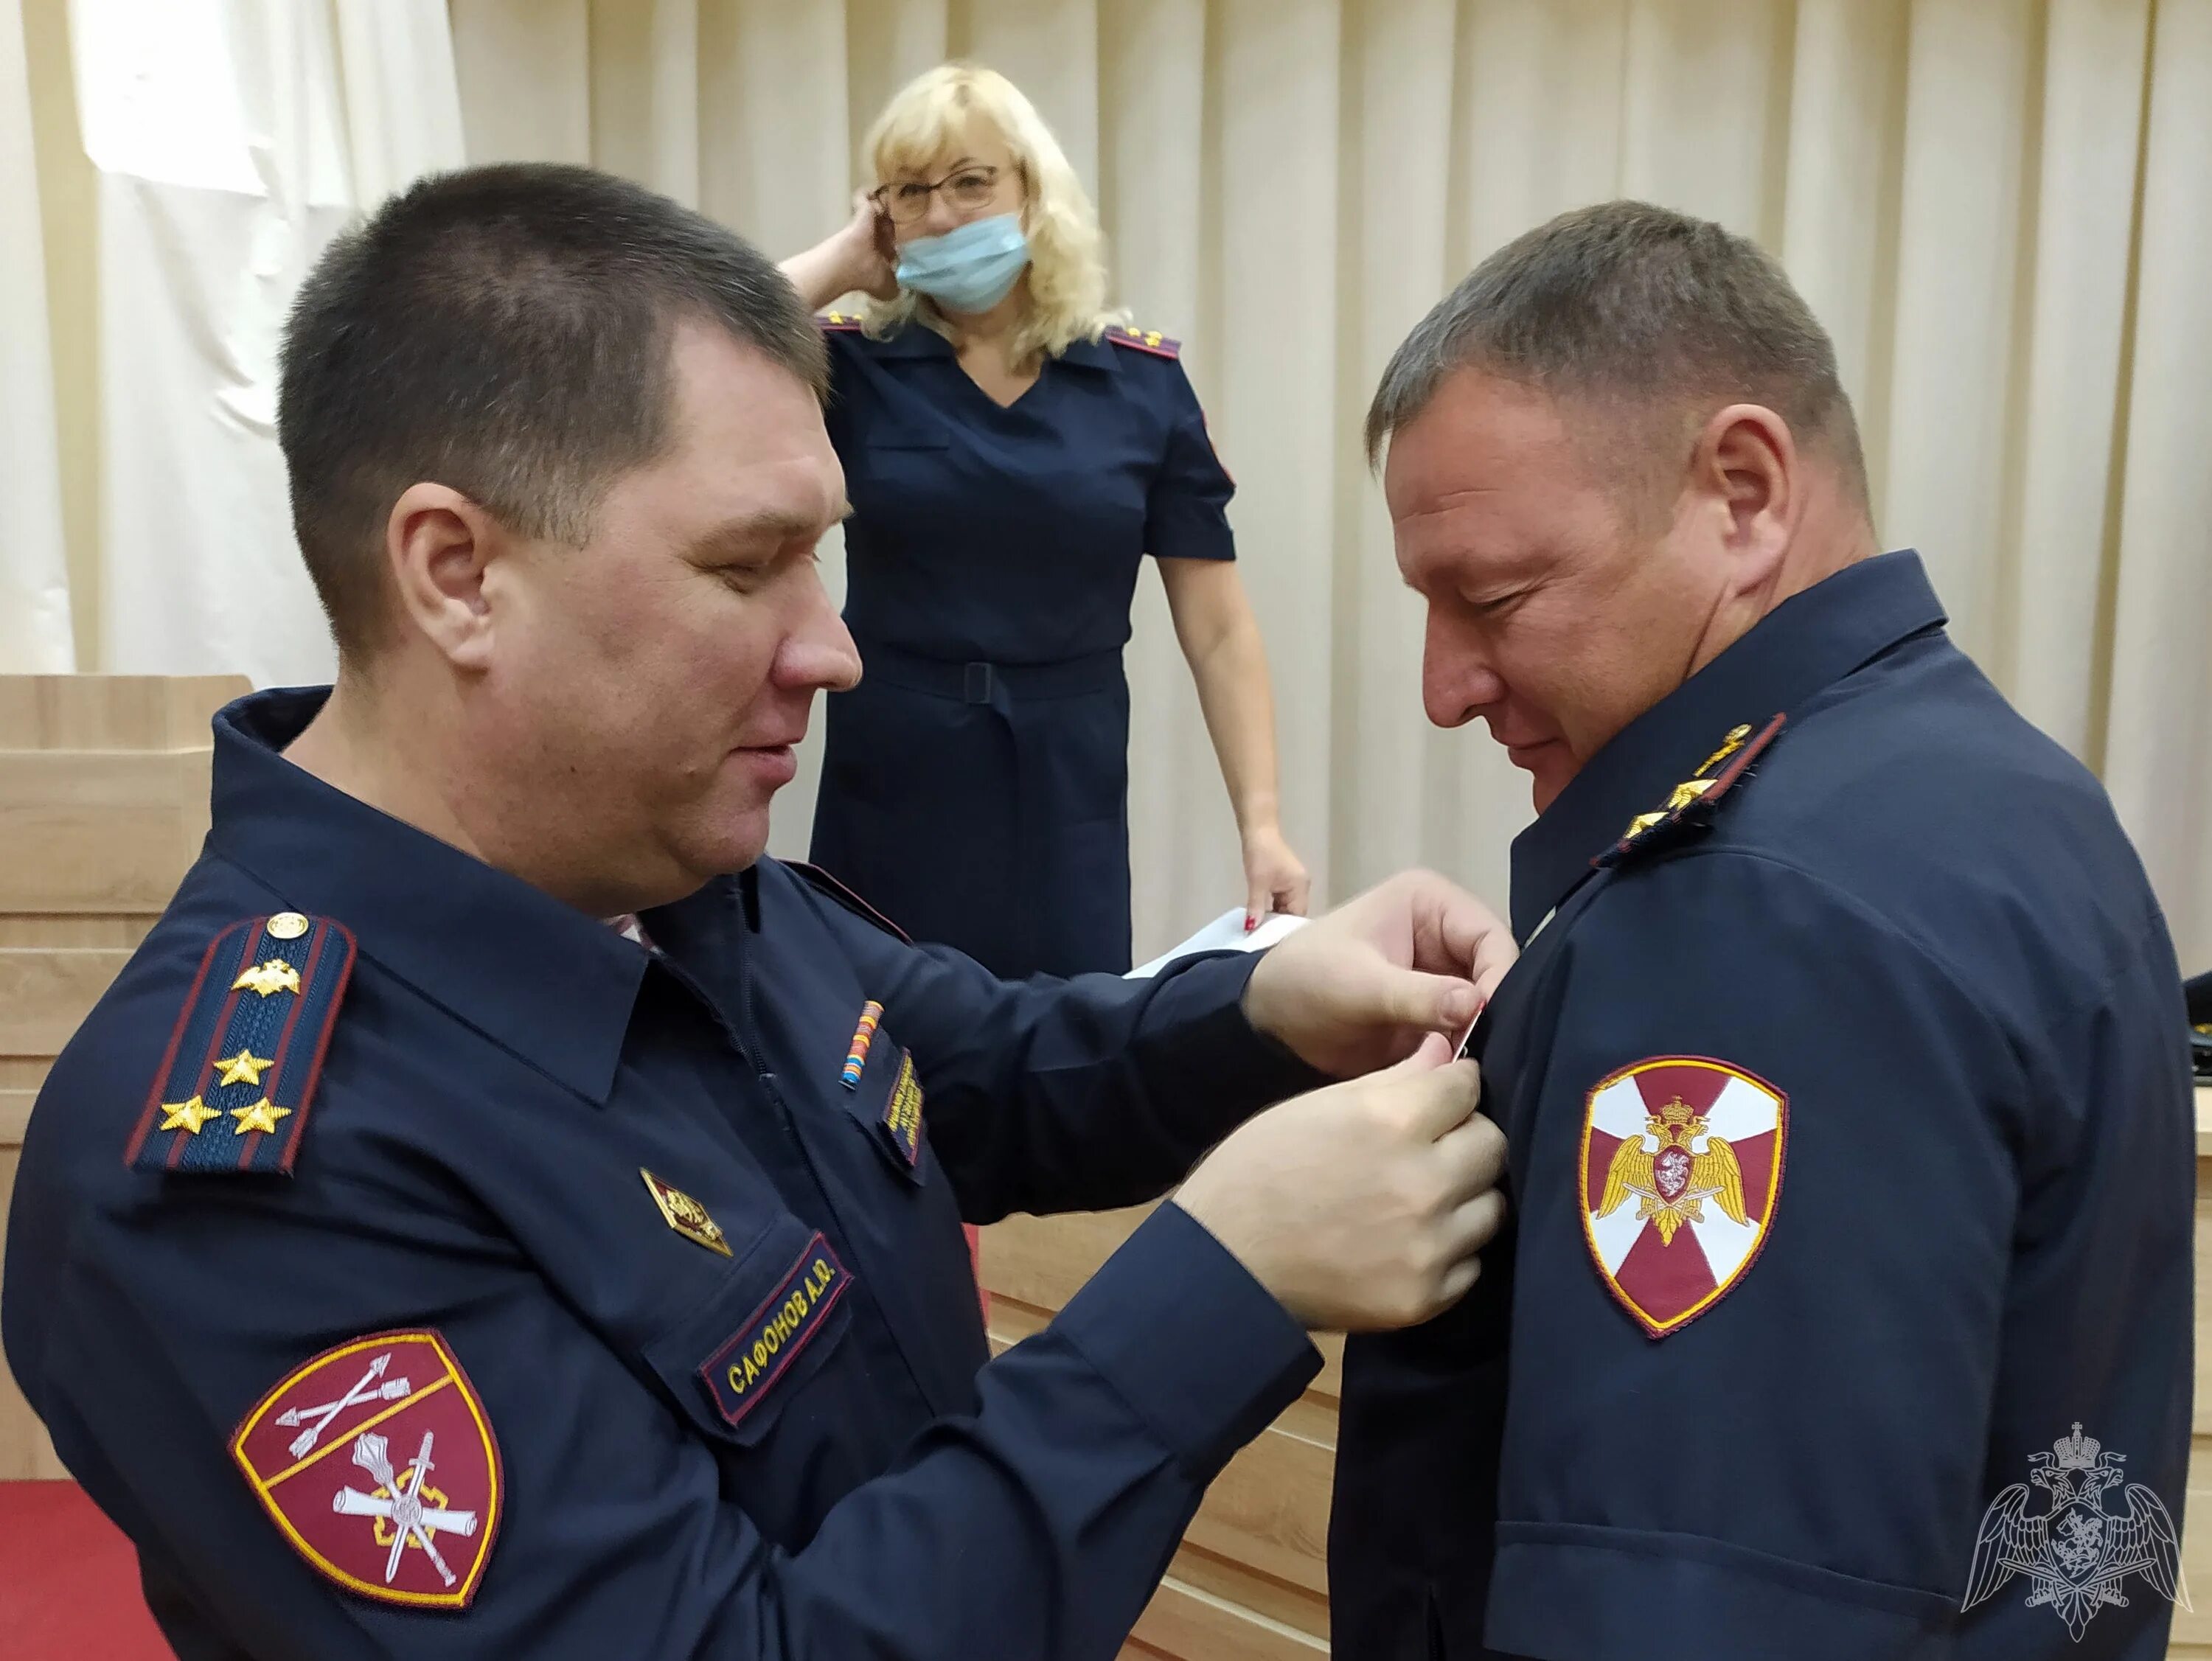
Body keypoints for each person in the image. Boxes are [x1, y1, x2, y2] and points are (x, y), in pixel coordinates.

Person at [1, 161, 1517, 1660]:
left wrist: (1260, 1005)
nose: (835, 651)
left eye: (822, 554)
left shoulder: (662, 874)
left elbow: (969, 1064)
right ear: (457, 573)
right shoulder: (244, 1175)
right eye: (748, 566)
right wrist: (1216, 1291)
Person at [1327, 201, 2194, 1660]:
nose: (1444, 685)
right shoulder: (2009, 794)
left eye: (1495, 598)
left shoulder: (1747, 912)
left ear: (1743, 491)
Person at [778, 63, 1307, 978]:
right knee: (877, 1035)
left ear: (1033, 191)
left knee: (1064, 1043)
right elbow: (698, 336)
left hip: (1066, 774)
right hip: (895, 765)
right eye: (912, 191)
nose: (942, 215)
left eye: (972, 181)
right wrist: (846, 260)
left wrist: (1262, 826)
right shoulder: (852, 369)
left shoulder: (1140, 385)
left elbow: (1217, 629)